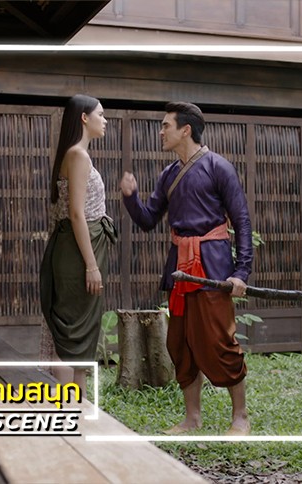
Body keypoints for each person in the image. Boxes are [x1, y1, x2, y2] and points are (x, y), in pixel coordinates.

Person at [119, 101, 253, 436]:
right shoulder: (168, 174)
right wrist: (131, 198)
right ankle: (192, 418)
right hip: (179, 266)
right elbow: (148, 220)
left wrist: (241, 272)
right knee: (180, 344)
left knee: (220, 341)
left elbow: (241, 220)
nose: (161, 131)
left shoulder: (219, 167)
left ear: (186, 130)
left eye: (166, 125)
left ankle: (240, 417)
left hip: (213, 266)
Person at [40, 94, 116, 394]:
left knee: (79, 331)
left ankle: (79, 405)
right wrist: (91, 266)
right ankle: (67, 405)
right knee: (71, 332)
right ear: (84, 118)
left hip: (77, 246)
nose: (105, 120)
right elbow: (76, 213)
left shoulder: (74, 154)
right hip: (78, 250)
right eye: (101, 114)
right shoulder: (78, 156)